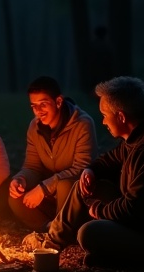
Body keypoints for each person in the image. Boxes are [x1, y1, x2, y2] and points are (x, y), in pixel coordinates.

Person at [23, 76, 144, 268]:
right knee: (82, 187)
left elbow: (134, 209)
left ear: (120, 117)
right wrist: (91, 171)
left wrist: (98, 209)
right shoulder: (137, 137)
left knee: (88, 233)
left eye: (104, 115)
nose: (102, 122)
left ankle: (118, 257)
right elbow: (110, 159)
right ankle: (52, 242)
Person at [9, 76, 98, 231]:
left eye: (43, 104)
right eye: (33, 106)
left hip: (76, 197)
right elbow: (32, 166)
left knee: (64, 185)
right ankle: (49, 228)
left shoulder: (82, 124)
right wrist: (20, 179)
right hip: (50, 198)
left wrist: (44, 188)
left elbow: (82, 169)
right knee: (15, 198)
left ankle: (64, 230)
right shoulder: (35, 127)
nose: (38, 111)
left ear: (58, 102)